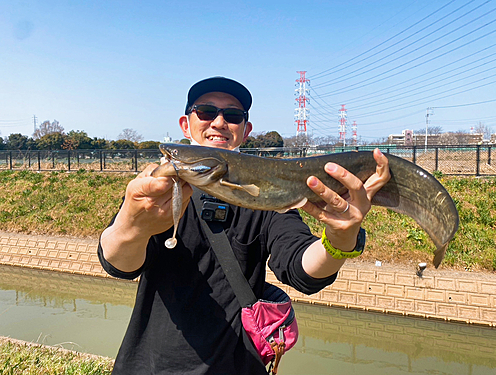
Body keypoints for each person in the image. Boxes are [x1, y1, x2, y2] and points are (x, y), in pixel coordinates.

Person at [98, 76, 390, 374]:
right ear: (185, 125)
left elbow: (301, 268)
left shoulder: (265, 193)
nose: (220, 122)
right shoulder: (155, 190)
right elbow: (119, 264)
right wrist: (134, 226)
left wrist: (341, 239)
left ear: (245, 131)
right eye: (206, 112)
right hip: (150, 366)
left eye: (233, 116)